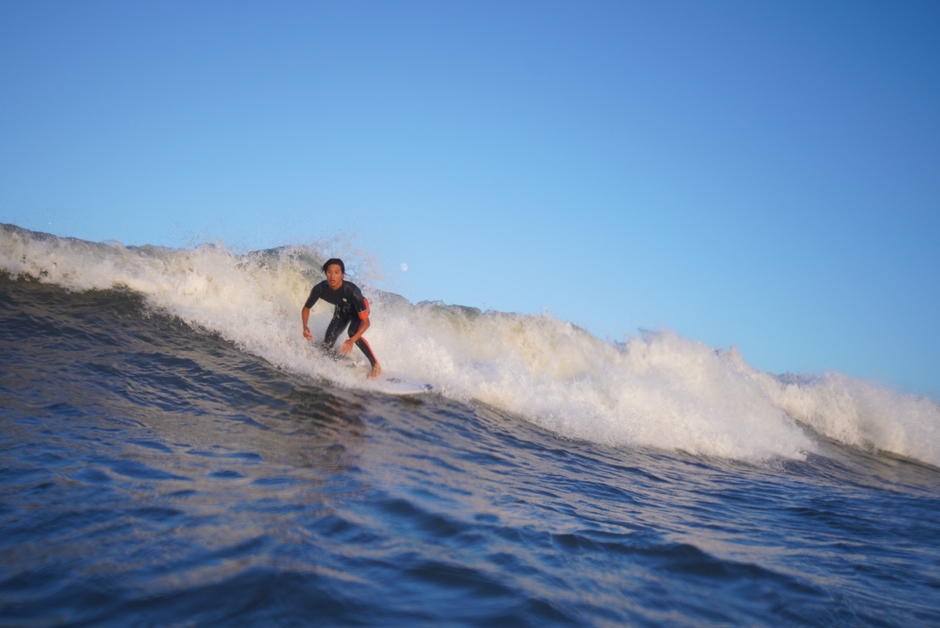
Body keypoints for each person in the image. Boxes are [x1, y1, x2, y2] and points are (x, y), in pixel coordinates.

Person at [302, 258, 382, 378]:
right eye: (329, 272)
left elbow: (366, 322)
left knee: (352, 332)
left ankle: (375, 364)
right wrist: (305, 327)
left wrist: (351, 340)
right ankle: (333, 359)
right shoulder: (319, 289)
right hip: (342, 311)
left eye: (336, 272)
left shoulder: (352, 291)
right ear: (325, 273)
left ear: (342, 275)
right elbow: (306, 308)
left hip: (358, 311)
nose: (332, 276)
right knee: (327, 344)